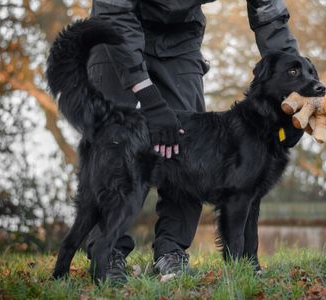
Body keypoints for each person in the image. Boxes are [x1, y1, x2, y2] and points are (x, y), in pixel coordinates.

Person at [85, 0, 306, 282]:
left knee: (191, 148)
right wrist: (148, 96)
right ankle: (108, 253)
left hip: (180, 39)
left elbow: (270, 17)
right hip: (116, 32)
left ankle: (171, 251)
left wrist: (294, 95)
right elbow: (113, 9)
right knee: (116, 146)